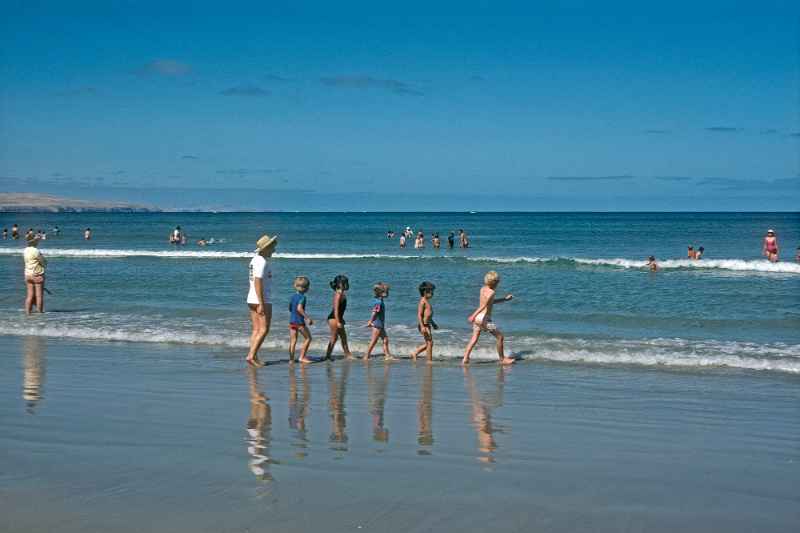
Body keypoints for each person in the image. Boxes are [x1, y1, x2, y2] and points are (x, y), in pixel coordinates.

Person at [462, 271, 515, 365]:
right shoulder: (492, 292)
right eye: (498, 282)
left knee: (474, 338)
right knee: (500, 337)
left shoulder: (482, 289)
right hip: (484, 319)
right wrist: (472, 315)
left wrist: (505, 299)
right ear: (495, 283)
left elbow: (490, 302)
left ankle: (465, 358)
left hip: (478, 318)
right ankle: (502, 359)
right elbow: (483, 306)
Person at [246, 234, 278, 366]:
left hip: (251, 298)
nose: (274, 250)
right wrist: (261, 303)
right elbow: (257, 281)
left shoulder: (255, 259)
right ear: (266, 249)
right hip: (261, 299)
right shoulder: (262, 262)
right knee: (264, 329)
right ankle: (251, 356)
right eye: (272, 248)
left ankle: (253, 356)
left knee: (256, 329)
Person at [325, 275, 353, 360]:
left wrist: (341, 319)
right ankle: (327, 356)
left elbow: (340, 310)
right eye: (345, 283)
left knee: (343, 337)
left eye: (347, 282)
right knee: (334, 338)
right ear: (340, 284)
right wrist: (338, 321)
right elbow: (336, 310)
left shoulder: (342, 294)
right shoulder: (338, 295)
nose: (347, 284)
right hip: (333, 319)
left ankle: (348, 354)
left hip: (338, 318)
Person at [288, 276, 314, 364]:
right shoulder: (302, 297)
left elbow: (290, 308)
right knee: (308, 338)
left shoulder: (292, 297)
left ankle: (291, 359)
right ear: (307, 288)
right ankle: (302, 357)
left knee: (293, 340)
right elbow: (299, 308)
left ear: (295, 286)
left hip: (292, 321)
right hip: (299, 322)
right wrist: (307, 318)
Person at [365, 282, 393, 360]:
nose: (388, 293)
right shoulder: (379, 302)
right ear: (381, 293)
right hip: (377, 325)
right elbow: (374, 312)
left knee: (385, 340)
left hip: (380, 325)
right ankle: (366, 355)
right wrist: (370, 321)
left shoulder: (379, 301)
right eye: (387, 291)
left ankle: (387, 355)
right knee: (374, 341)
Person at [411, 281, 438, 361]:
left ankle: (415, 353)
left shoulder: (427, 301)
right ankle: (429, 361)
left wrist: (433, 323)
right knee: (429, 343)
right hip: (424, 325)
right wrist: (422, 326)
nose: (433, 293)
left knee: (430, 343)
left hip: (427, 325)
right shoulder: (422, 301)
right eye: (431, 291)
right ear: (425, 292)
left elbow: (428, 316)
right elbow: (419, 315)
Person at [23, 234, 47, 314]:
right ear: (35, 242)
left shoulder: (25, 250)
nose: (38, 242)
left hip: (27, 274)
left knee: (29, 295)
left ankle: (28, 312)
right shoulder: (36, 251)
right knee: (39, 296)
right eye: (37, 241)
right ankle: (40, 312)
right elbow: (43, 262)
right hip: (37, 275)